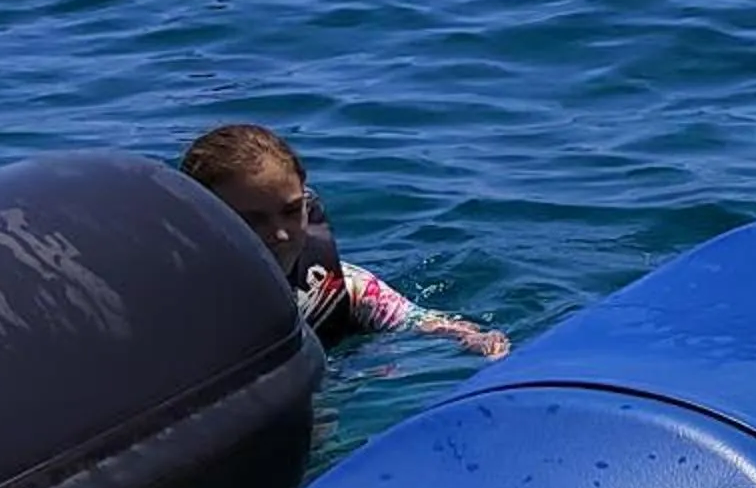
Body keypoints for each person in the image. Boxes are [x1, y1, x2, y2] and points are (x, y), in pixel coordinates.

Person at [179, 123, 509, 356]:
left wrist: (472, 338)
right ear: (202, 219)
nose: (280, 234)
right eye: (252, 220)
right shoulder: (177, 303)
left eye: (292, 211)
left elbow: (417, 321)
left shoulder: (343, 286)